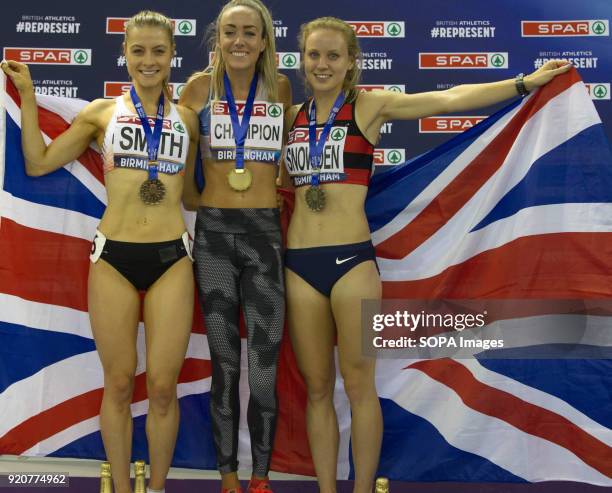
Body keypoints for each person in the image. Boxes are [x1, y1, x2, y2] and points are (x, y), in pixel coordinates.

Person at [282, 16, 571, 493]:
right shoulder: (289, 117)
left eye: (334, 55)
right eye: (314, 55)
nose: (322, 64)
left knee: (358, 388)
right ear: (301, 59)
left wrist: (522, 83)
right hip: (299, 267)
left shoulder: (368, 106)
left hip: (351, 263)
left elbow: (446, 99)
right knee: (316, 389)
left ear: (352, 61)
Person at [2, 11, 199, 493]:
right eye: (138, 51)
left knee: (161, 389)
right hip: (112, 258)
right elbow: (39, 160)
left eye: (158, 51)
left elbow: (194, 196)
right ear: (125, 54)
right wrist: (28, 97)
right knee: (116, 383)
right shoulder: (100, 113)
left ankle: (155, 487)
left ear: (173, 55)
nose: (148, 61)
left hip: (173, 258)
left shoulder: (189, 120)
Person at [179, 1, 291, 492]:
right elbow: (183, 178)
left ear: (265, 40)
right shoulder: (197, 90)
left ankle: (261, 477)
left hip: (266, 234)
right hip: (215, 236)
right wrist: (208, 209)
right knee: (225, 364)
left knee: (263, 368)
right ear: (216, 39)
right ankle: (228, 475)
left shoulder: (282, 88)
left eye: (250, 32)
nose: (240, 41)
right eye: (230, 33)